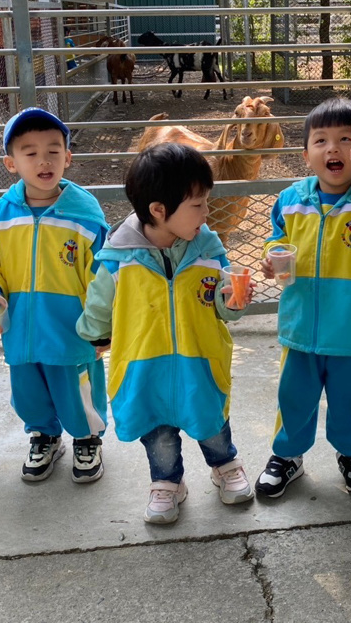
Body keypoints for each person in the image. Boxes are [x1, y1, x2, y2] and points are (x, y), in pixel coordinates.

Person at [76, 143, 255, 524]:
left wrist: (233, 302)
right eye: (198, 204)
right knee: (157, 431)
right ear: (159, 210)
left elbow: (222, 305)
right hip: (144, 365)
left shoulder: (207, 249)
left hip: (200, 360)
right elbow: (99, 305)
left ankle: (225, 464)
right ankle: (167, 481)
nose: (206, 213)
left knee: (210, 419)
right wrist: (95, 336)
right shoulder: (119, 259)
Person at [254, 98, 351, 498]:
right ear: (305, 154)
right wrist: (272, 257)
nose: (333, 149)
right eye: (321, 140)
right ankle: (287, 455)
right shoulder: (291, 199)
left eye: (346, 140)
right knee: (294, 397)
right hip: (300, 326)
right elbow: (277, 239)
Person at [0, 107, 110, 485]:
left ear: (68, 157)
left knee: (76, 389)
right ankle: (44, 436)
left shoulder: (85, 214)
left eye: (53, 151)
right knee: (28, 391)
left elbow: (102, 275)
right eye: (30, 152)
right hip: (19, 329)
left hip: (72, 330)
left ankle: (87, 439)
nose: (43, 161)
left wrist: (102, 324)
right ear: (11, 163)